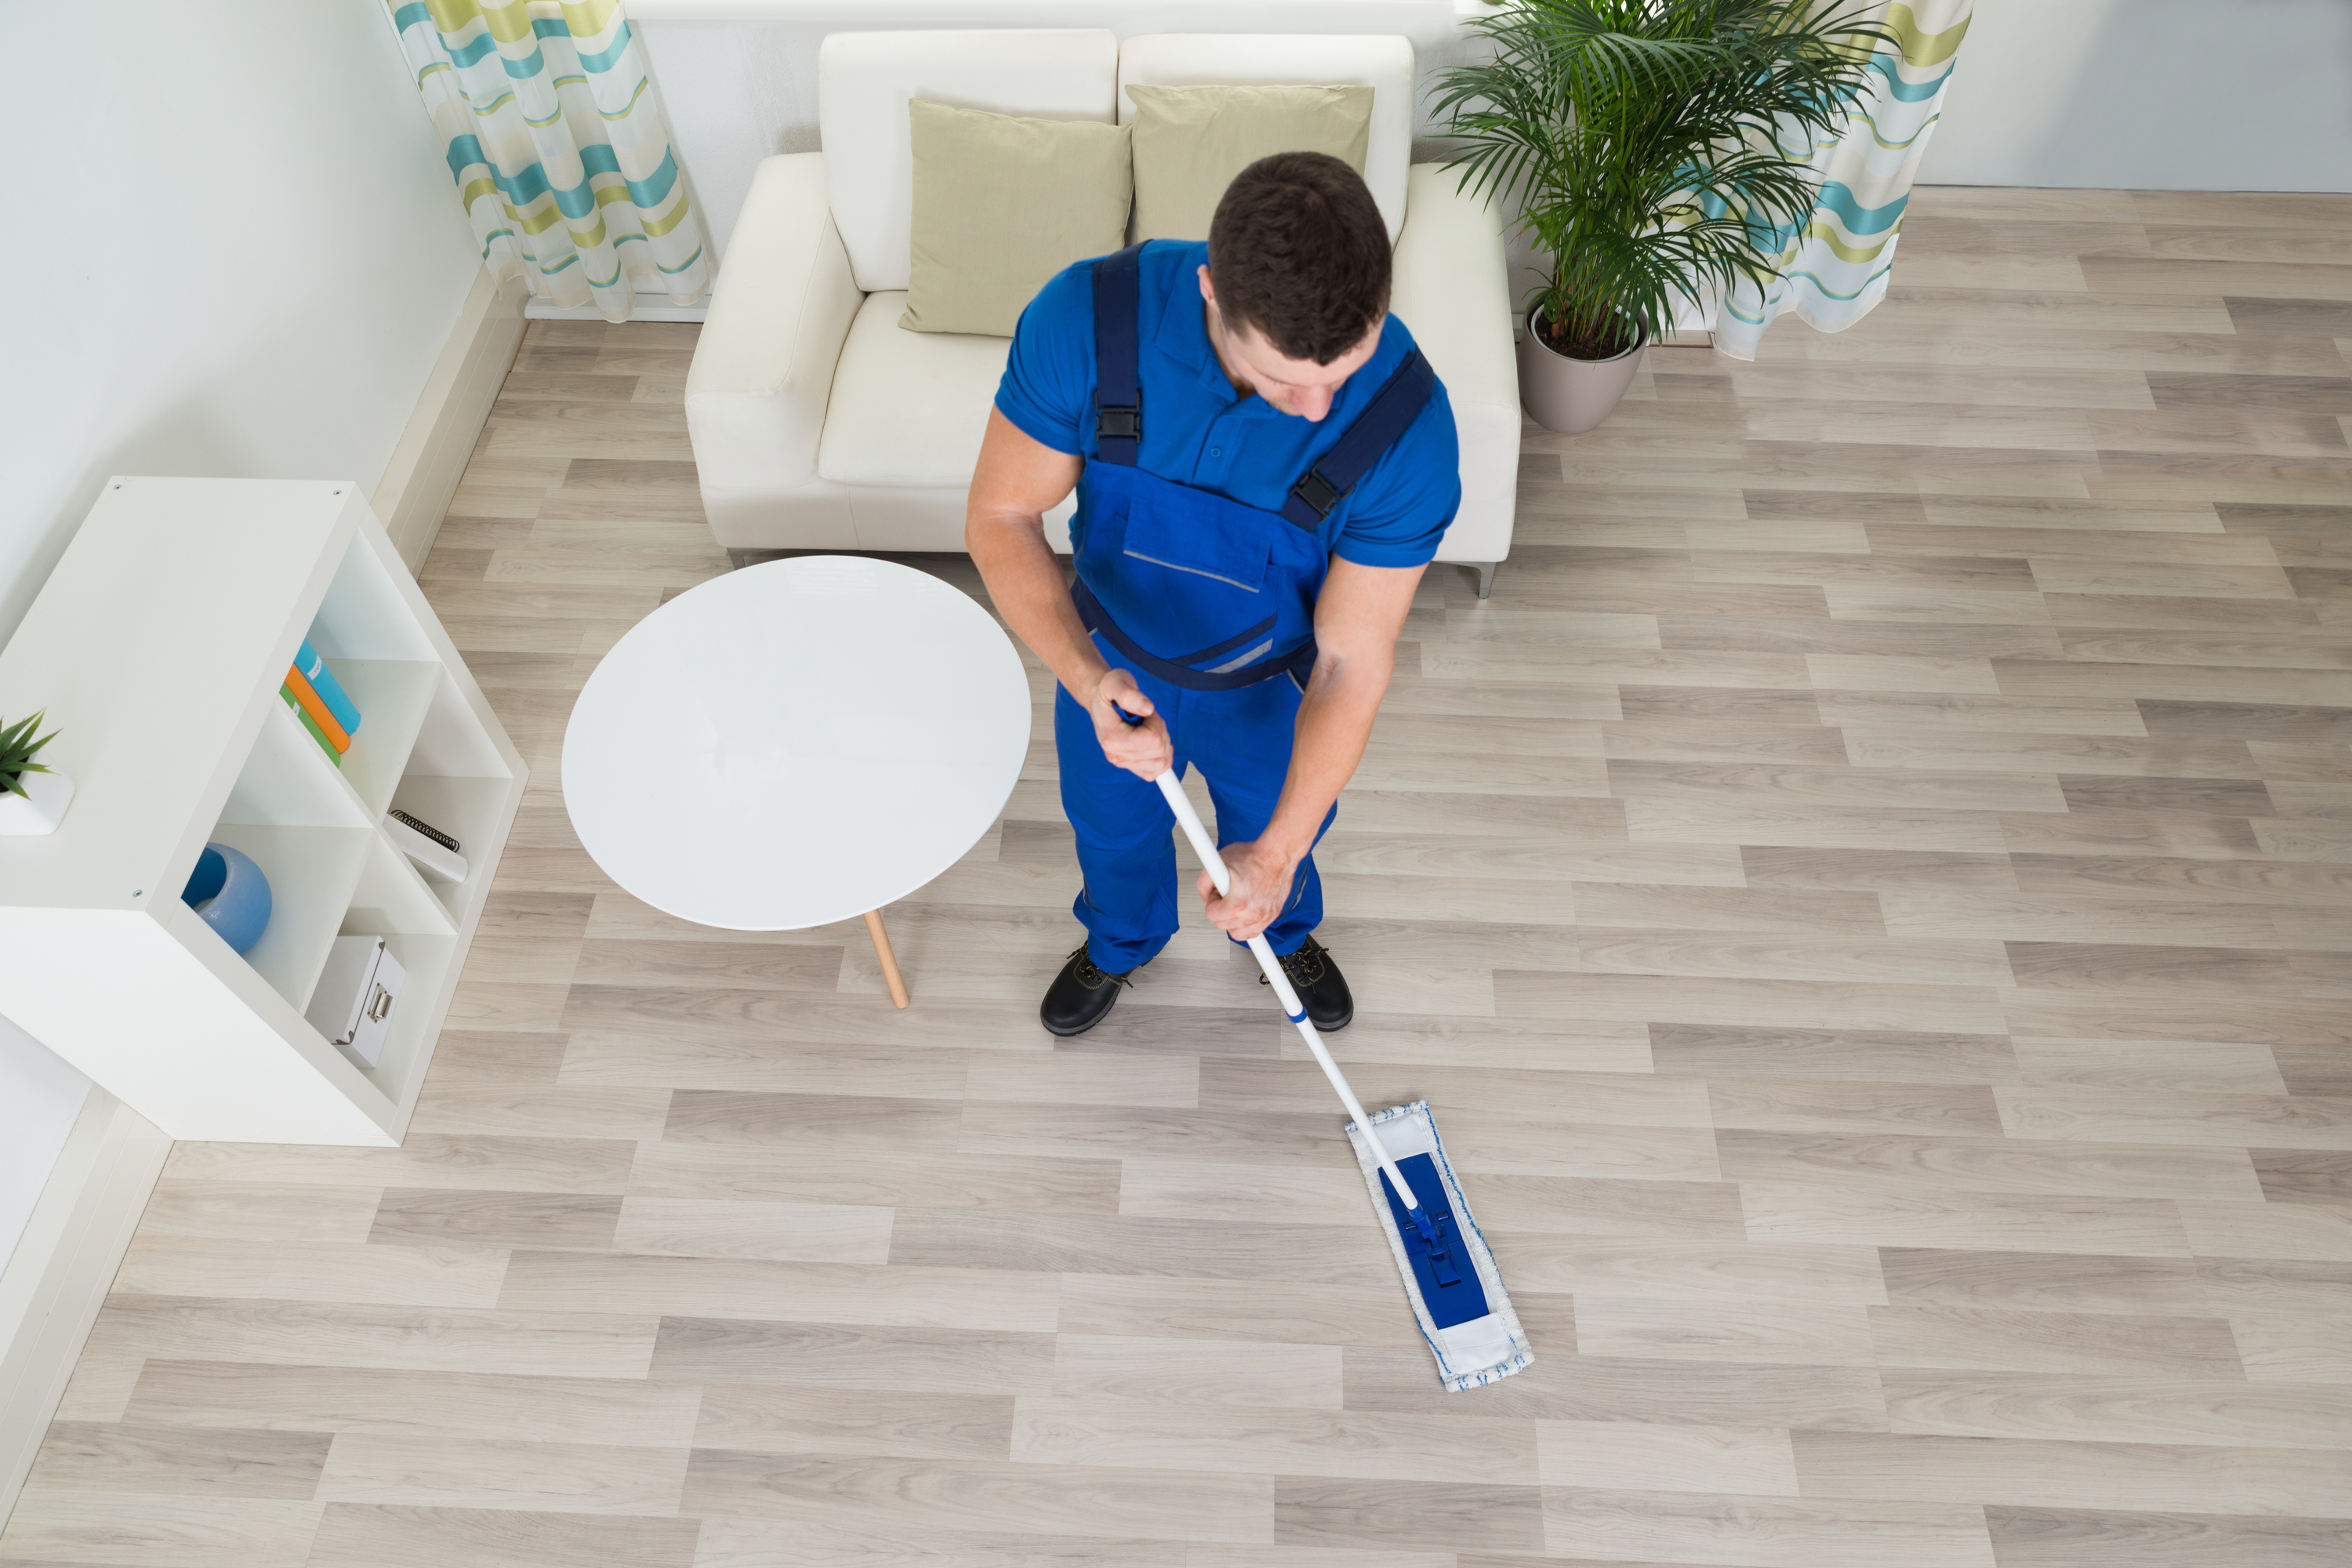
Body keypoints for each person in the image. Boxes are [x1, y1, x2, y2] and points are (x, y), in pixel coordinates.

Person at [966, 151, 1460, 1037]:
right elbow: (1001, 516)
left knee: (1285, 837)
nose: (1316, 409)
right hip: (1114, 661)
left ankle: (1283, 932)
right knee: (1112, 833)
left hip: (1273, 689)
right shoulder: (1088, 319)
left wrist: (1270, 858)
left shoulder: (1408, 425)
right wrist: (1084, 677)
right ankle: (1118, 943)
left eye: (1340, 372)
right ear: (1209, 293)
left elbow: (1353, 657)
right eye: (1282, 379)